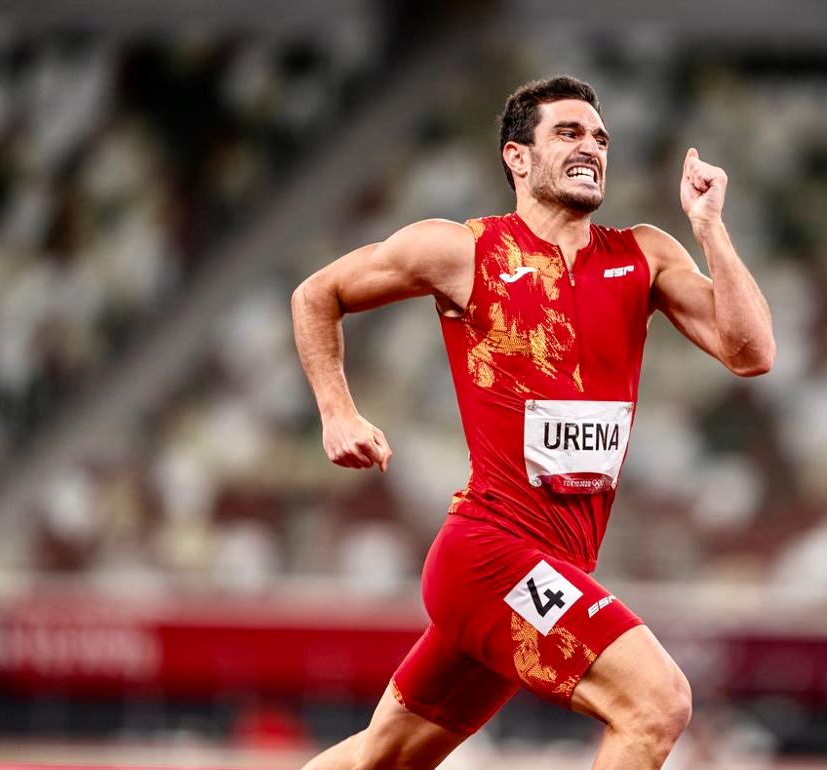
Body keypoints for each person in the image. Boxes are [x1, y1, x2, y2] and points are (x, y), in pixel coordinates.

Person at [291, 75, 774, 770]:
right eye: (568, 134)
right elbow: (318, 293)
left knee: (381, 761)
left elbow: (752, 351)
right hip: (491, 557)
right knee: (657, 702)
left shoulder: (643, 256)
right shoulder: (463, 251)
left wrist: (709, 230)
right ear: (517, 158)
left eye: (601, 138)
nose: (591, 148)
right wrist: (337, 412)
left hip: (550, 566)